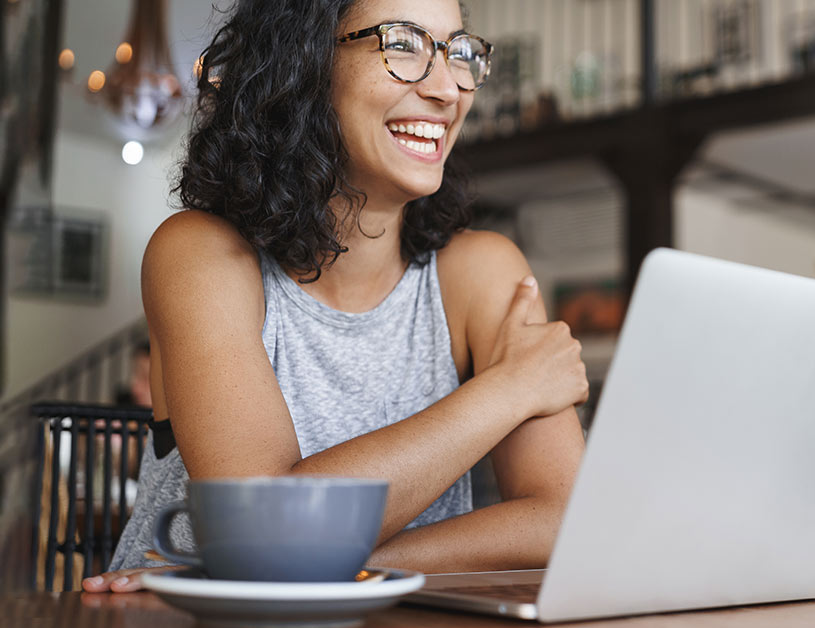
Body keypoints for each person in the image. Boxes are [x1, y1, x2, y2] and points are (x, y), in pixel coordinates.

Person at [84, 0, 588, 592]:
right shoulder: (200, 255)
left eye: (458, 51)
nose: (449, 88)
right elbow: (265, 530)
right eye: (403, 43)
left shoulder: (482, 272)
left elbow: (563, 520)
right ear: (304, 62)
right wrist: (508, 392)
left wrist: (331, 565)